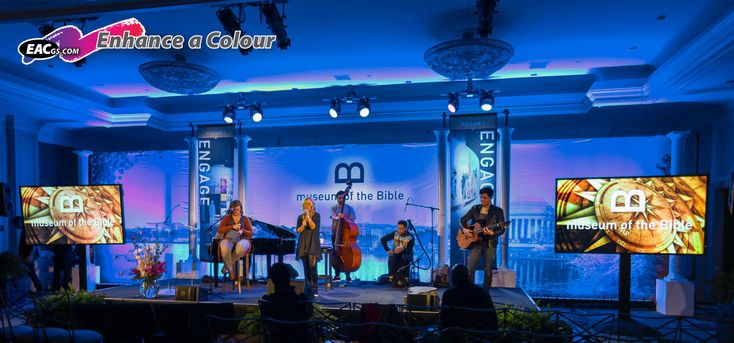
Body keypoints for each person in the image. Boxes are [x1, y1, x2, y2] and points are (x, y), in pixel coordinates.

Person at [459, 187, 506, 290]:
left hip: (489, 244)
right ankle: (470, 292)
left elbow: (502, 229)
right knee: (470, 270)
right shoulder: (475, 208)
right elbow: (462, 220)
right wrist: (465, 229)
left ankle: (485, 294)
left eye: (485, 197)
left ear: (491, 197)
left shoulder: (498, 211)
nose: (482, 200)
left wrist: (492, 232)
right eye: (481, 197)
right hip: (475, 243)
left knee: (488, 271)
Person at [439, 264, 498, 335]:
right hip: (482, 335)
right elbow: (493, 320)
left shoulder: (449, 294)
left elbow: (443, 321)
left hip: (458, 336)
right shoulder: (482, 292)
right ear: (468, 276)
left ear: (453, 278)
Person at [217, 200, 253, 282]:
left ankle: (226, 267)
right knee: (224, 246)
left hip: (242, 239)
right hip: (230, 239)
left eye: (238, 209)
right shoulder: (227, 218)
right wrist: (232, 227)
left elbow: (251, 233)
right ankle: (231, 271)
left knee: (240, 247)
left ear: (241, 209)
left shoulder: (245, 219)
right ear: (231, 209)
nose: (237, 211)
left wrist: (243, 231)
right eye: (235, 209)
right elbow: (220, 230)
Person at [296, 197, 321, 297]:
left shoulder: (317, 215)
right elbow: (299, 230)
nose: (306, 206)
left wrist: (308, 217)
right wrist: (303, 224)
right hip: (303, 243)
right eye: (305, 205)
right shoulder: (300, 217)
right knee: (306, 268)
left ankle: (315, 287)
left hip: (313, 243)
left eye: (308, 204)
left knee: (312, 266)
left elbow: (313, 226)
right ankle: (308, 287)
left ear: (312, 205)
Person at [330, 190, 357, 283]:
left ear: (345, 198)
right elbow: (333, 217)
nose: (341, 199)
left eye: (342, 198)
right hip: (336, 234)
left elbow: (353, 219)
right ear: (337, 199)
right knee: (336, 254)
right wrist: (338, 217)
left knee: (347, 254)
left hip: (346, 235)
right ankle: (337, 274)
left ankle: (348, 275)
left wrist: (345, 217)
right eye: (339, 198)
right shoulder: (334, 208)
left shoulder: (350, 208)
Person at [379, 220, 414, 288]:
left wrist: (402, 249)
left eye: (401, 229)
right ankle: (392, 278)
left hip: (406, 254)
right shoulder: (395, 233)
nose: (399, 230)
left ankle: (404, 279)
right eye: (398, 228)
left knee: (404, 258)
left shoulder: (411, 237)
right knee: (392, 256)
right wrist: (388, 250)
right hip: (396, 253)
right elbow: (383, 239)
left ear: (406, 228)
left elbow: (409, 250)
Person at [14, 216, 43, 293]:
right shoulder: (25, 230)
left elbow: (33, 244)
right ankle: (39, 288)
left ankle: (40, 288)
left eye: (16, 224)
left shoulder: (27, 230)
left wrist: (30, 255)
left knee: (30, 272)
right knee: (30, 272)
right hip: (25, 255)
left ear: (20, 221)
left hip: (28, 256)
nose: (16, 227)